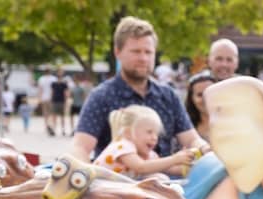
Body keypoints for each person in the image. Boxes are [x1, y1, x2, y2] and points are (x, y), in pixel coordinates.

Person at [71, 16, 208, 162]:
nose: (143, 58)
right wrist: (85, 175)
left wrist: (207, 150)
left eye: (148, 52)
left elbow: (192, 140)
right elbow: (81, 147)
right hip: (118, 181)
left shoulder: (168, 95)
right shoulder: (101, 97)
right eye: (136, 51)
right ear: (117, 52)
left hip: (168, 180)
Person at [92, 105, 196, 178]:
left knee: (159, 177)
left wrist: (189, 165)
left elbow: (168, 168)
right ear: (128, 133)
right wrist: (174, 159)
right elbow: (140, 167)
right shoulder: (123, 146)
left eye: (156, 133)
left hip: (113, 192)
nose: (154, 137)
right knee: (158, 179)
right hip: (97, 191)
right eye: (149, 132)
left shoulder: (148, 154)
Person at [185, 70, 216, 143]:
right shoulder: (185, 127)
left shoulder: (233, 122)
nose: (206, 98)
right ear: (191, 99)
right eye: (200, 95)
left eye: (209, 92)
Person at [50, 67, 72, 136]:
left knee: (62, 116)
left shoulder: (64, 83)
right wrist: (51, 100)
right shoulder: (53, 83)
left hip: (62, 101)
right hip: (55, 100)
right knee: (54, 116)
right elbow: (52, 92)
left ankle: (63, 130)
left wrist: (66, 101)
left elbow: (66, 93)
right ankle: (54, 129)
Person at [37, 66, 56, 136]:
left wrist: (39, 98)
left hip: (44, 97)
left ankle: (46, 126)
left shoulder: (41, 79)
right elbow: (53, 90)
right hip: (50, 98)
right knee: (51, 112)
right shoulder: (53, 78)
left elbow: (40, 90)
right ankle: (50, 125)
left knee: (45, 113)